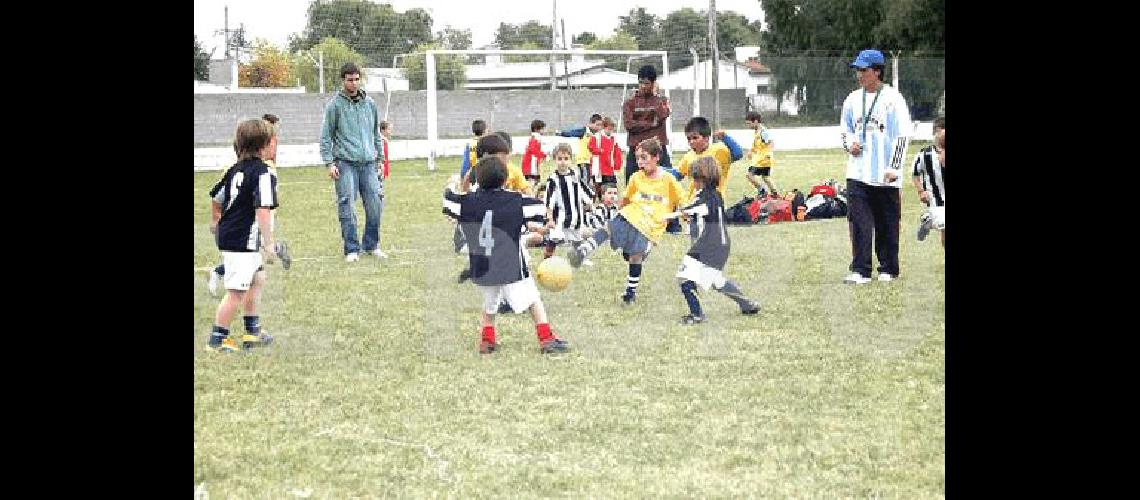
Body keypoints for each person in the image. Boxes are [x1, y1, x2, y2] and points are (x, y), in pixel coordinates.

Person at [443, 155, 571, 355]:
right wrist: (544, 225)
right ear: (505, 179)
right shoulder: (515, 200)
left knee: (490, 302)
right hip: (510, 264)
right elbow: (538, 211)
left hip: (482, 266)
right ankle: (546, 338)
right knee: (533, 299)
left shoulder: (467, 202)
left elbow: (449, 201)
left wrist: (453, 183)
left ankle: (487, 340)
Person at [567, 138, 685, 305]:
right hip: (632, 214)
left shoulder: (668, 179)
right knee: (610, 227)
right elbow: (627, 200)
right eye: (637, 158)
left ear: (657, 156)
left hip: (650, 225)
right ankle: (583, 251)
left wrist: (686, 211)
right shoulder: (636, 177)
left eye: (644, 157)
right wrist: (617, 212)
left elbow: (682, 199)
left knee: (634, 257)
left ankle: (630, 292)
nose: (640, 162)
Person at [205, 118, 280, 353]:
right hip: (242, 240)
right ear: (264, 145)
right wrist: (269, 245)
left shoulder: (235, 169)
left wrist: (216, 221)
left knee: (257, 279)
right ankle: (217, 340)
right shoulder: (264, 173)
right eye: (273, 141)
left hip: (232, 235)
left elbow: (217, 197)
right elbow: (263, 209)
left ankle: (252, 331)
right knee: (236, 292)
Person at [839, 49, 913, 284]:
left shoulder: (893, 99)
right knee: (859, 221)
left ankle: (888, 268)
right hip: (858, 173)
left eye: (864, 70)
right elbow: (845, 129)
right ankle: (860, 269)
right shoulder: (852, 99)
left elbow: (902, 135)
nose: (860, 75)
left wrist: (895, 167)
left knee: (886, 222)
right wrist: (849, 144)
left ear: (877, 71)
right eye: (858, 70)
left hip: (885, 174)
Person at [208, 114, 289, 296]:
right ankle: (219, 272)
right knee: (251, 255)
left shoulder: (265, 166)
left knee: (256, 268)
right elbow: (220, 196)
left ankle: (252, 322)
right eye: (271, 141)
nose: (275, 145)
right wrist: (216, 220)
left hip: (255, 219)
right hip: (246, 222)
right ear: (261, 143)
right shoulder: (248, 169)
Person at [674, 157, 761, 324]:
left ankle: (697, 315)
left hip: (708, 245)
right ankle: (746, 304)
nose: (694, 182)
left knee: (685, 277)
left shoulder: (704, 199)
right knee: (714, 279)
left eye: (696, 179)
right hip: (721, 244)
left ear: (702, 179)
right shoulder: (717, 195)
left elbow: (694, 209)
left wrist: (671, 214)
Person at [320, 62, 387, 263]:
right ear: (343, 80)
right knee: (347, 205)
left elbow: (376, 134)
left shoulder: (370, 104)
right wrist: (329, 163)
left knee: (376, 204)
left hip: (368, 163)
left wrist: (380, 159)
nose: (354, 83)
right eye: (350, 80)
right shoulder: (335, 106)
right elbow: (326, 137)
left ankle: (371, 244)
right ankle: (351, 249)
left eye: (357, 79)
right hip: (345, 163)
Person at [542, 143, 594, 260]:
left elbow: (582, 189)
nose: (563, 162)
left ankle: (579, 258)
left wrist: (588, 202)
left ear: (571, 159)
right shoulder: (553, 179)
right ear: (554, 160)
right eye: (559, 159)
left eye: (566, 159)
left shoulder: (575, 174)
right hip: (560, 215)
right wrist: (549, 219)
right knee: (554, 237)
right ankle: (547, 258)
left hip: (576, 214)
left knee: (577, 238)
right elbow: (549, 201)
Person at [622, 65, 673, 183]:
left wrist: (656, 96)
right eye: (640, 83)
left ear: (654, 83)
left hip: (658, 150)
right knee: (633, 187)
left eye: (646, 83)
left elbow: (662, 115)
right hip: (636, 149)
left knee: (666, 183)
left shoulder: (662, 100)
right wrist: (652, 123)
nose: (642, 86)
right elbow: (629, 125)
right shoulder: (630, 102)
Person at [676, 117, 744, 200]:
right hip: (694, 200)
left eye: (695, 138)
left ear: (706, 138)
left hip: (714, 201)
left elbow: (738, 154)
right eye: (688, 138)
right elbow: (678, 175)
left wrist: (725, 138)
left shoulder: (719, 150)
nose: (691, 141)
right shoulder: (688, 156)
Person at [912, 117, 945, 246]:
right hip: (935, 199)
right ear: (935, 133)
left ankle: (929, 220)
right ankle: (930, 219)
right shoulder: (924, 155)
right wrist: (921, 191)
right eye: (940, 130)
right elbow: (915, 174)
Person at [555, 114, 603, 190]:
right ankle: (582, 194)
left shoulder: (597, 135)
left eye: (600, 125)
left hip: (592, 161)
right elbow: (572, 133)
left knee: (592, 179)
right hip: (584, 160)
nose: (599, 127)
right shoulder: (583, 131)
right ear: (590, 123)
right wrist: (561, 133)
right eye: (597, 125)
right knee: (585, 179)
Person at [743, 111, 778, 197]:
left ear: (755, 121)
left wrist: (768, 154)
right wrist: (751, 151)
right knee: (765, 177)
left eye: (749, 123)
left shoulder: (763, 132)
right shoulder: (757, 132)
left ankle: (762, 191)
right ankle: (775, 194)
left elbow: (770, 142)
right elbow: (757, 145)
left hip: (763, 159)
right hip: (761, 159)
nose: (748, 126)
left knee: (749, 175)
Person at [521, 119, 547, 190]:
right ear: (536, 129)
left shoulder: (536, 138)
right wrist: (543, 155)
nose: (545, 131)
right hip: (530, 165)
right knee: (531, 181)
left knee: (535, 180)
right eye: (543, 129)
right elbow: (533, 150)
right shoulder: (535, 138)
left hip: (533, 164)